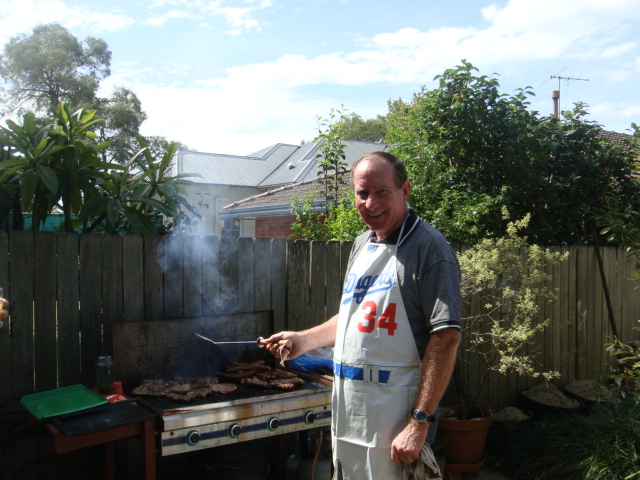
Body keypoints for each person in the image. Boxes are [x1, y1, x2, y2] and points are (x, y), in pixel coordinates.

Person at [266, 151, 461, 479]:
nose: (371, 203)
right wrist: (304, 340)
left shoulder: (430, 249)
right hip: (350, 411)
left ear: (405, 190)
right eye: (362, 193)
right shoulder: (362, 244)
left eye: (382, 191)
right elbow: (352, 316)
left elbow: (446, 339)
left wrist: (418, 423)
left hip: (396, 417)